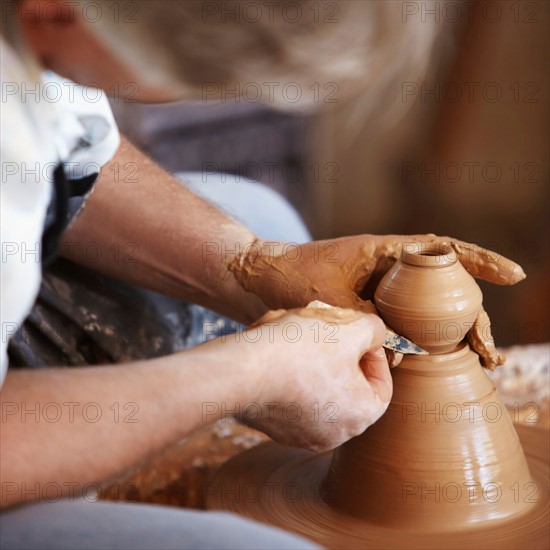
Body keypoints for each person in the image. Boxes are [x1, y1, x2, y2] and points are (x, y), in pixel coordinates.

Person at [0, 1, 525, 549]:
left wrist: (250, 263)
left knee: (260, 218)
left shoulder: (45, 29)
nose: (207, 93)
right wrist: (244, 376)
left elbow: (71, 150)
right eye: (202, 77)